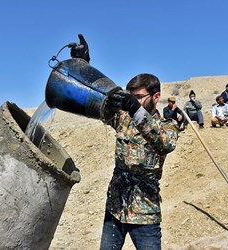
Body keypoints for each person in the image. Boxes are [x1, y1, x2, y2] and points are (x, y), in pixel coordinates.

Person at [70, 34, 179, 250]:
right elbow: (98, 98)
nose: (133, 101)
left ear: (155, 97)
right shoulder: (123, 119)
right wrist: (83, 66)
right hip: (115, 209)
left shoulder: (167, 126)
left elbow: (165, 143)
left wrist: (135, 109)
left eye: (138, 97)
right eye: (132, 97)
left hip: (145, 215)